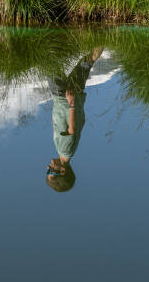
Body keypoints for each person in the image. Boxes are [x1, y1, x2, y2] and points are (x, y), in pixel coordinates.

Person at [45, 47, 105, 193]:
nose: (48, 167)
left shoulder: (70, 151)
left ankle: (107, 36)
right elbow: (72, 129)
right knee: (48, 63)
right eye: (51, 172)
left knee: (87, 62)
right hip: (63, 97)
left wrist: (77, 103)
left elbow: (81, 123)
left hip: (73, 96)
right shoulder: (64, 150)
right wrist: (71, 103)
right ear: (62, 171)